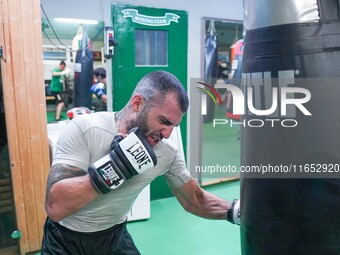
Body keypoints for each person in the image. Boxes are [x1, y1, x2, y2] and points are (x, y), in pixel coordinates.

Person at [41, 70, 240, 255]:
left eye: (174, 126)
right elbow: (55, 207)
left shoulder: (166, 152)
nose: (167, 134)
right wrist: (115, 167)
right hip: (63, 240)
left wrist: (236, 211)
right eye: (164, 121)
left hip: (114, 238)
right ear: (137, 104)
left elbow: (194, 199)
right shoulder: (86, 129)